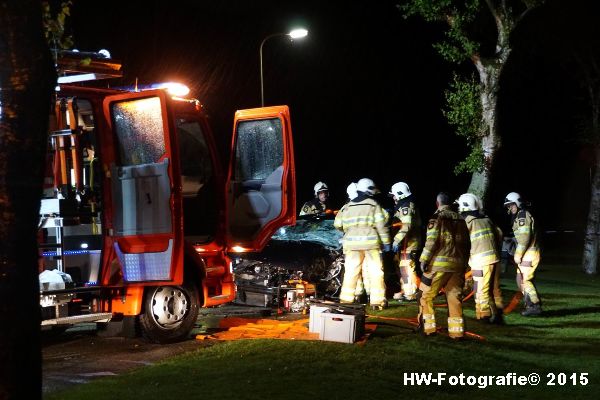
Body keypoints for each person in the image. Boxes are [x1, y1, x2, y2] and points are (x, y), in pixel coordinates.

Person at [417, 192, 470, 339]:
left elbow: (432, 240)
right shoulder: (461, 219)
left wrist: (424, 260)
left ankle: (428, 329)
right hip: (457, 266)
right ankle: (457, 333)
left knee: (425, 295)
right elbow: (467, 244)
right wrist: (464, 264)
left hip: (438, 266)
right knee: (454, 297)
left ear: (437, 203)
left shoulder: (437, 217)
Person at [334, 178, 390, 310]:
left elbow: (337, 224)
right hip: (371, 245)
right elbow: (381, 225)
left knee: (351, 273)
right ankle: (377, 302)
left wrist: (349, 230)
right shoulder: (373, 205)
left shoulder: (347, 207)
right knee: (375, 273)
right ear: (369, 190)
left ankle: (346, 300)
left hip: (352, 246)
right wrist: (386, 242)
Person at [457, 193, 504, 323]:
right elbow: (499, 233)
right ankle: (496, 313)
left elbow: (460, 242)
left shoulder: (467, 222)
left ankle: (484, 315)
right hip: (493, 258)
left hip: (480, 260)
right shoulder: (486, 219)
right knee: (489, 289)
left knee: (480, 289)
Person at [504, 192, 542, 316]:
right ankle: (530, 304)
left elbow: (525, 237)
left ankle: (534, 306)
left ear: (517, 203)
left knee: (525, 280)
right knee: (520, 279)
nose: (509, 208)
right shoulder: (521, 215)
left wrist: (518, 254)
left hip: (529, 253)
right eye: (508, 206)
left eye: (511, 205)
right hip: (528, 252)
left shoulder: (522, 216)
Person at [389, 182, 421, 301]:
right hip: (406, 243)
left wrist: (396, 240)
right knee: (404, 268)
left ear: (400, 194)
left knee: (407, 268)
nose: (393, 198)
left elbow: (406, 225)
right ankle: (407, 290)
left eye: (394, 195)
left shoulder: (406, 206)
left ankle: (410, 293)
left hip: (409, 243)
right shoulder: (404, 205)